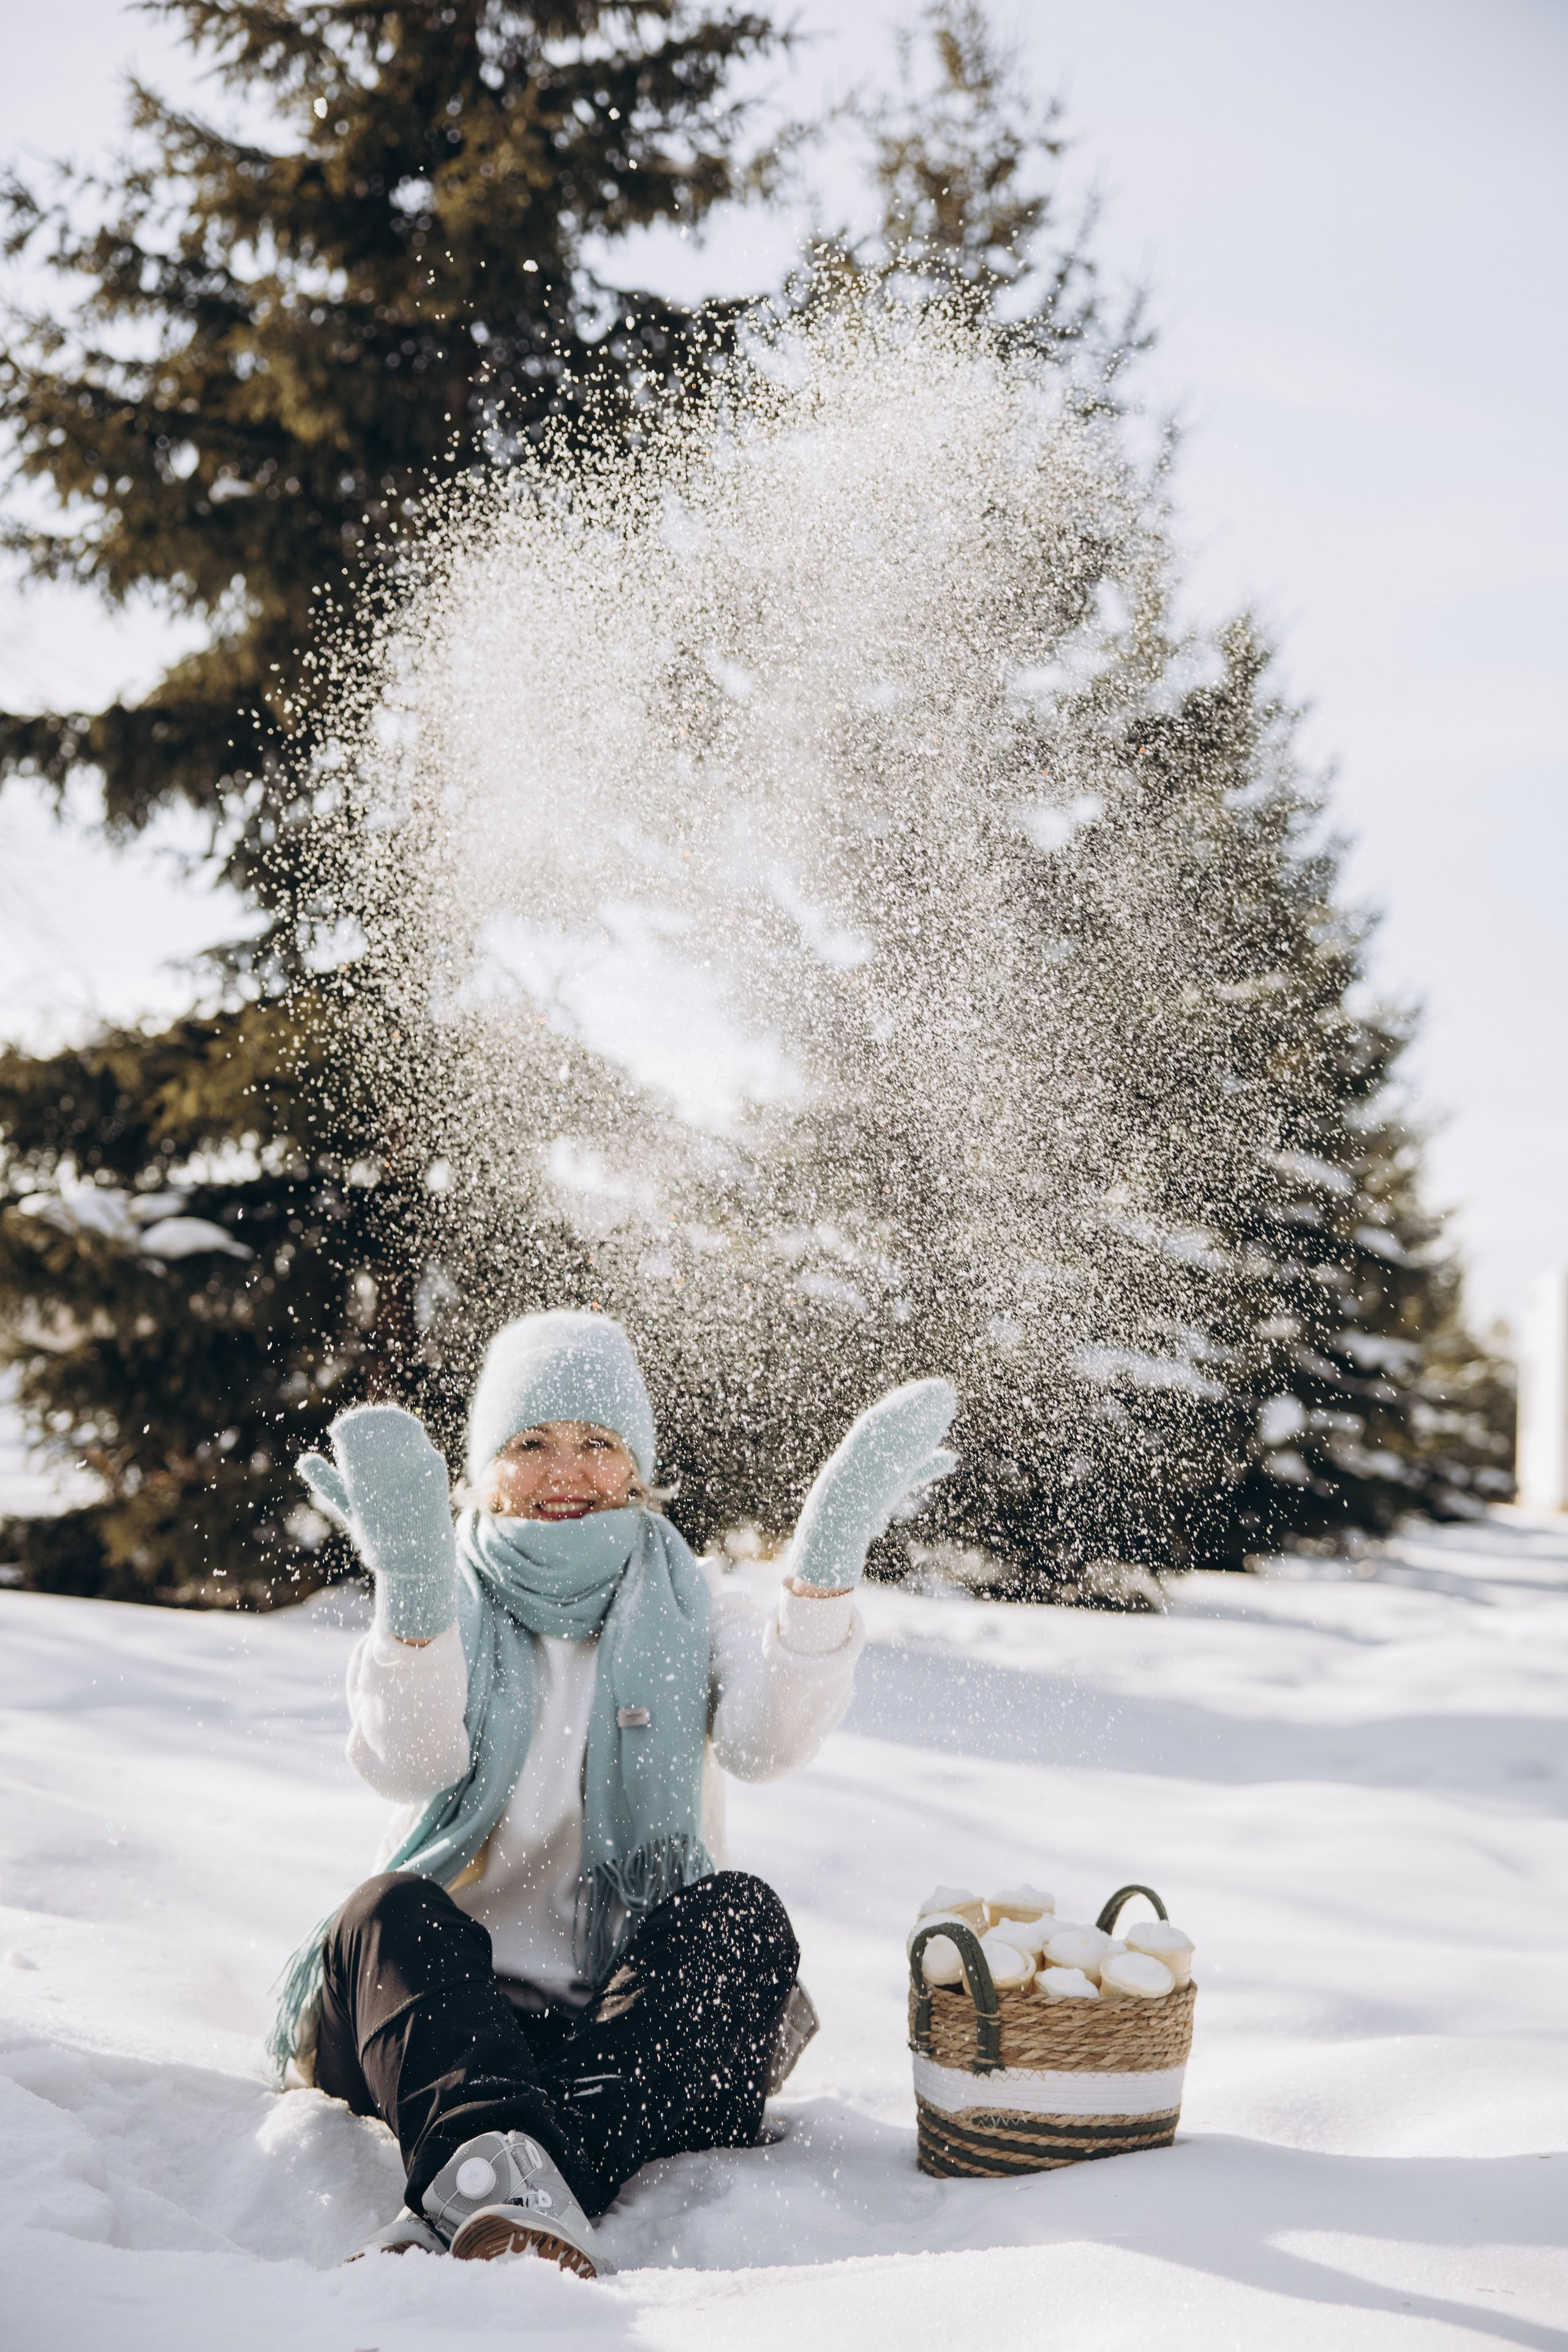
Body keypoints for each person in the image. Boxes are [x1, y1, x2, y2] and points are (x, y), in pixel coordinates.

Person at [274, 1308, 957, 2274]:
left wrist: (826, 1561)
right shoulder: (446, 1593)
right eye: (531, 1444)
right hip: (435, 2023)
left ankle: (492, 2179)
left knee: (739, 1920)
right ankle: (514, 2162)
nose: (566, 1471)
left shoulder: (690, 1599)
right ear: (484, 1463)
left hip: (617, 2029)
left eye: (598, 1442)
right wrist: (415, 1602)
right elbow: (408, 1764)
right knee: (388, 1911)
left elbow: (764, 1744)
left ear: (637, 1463)